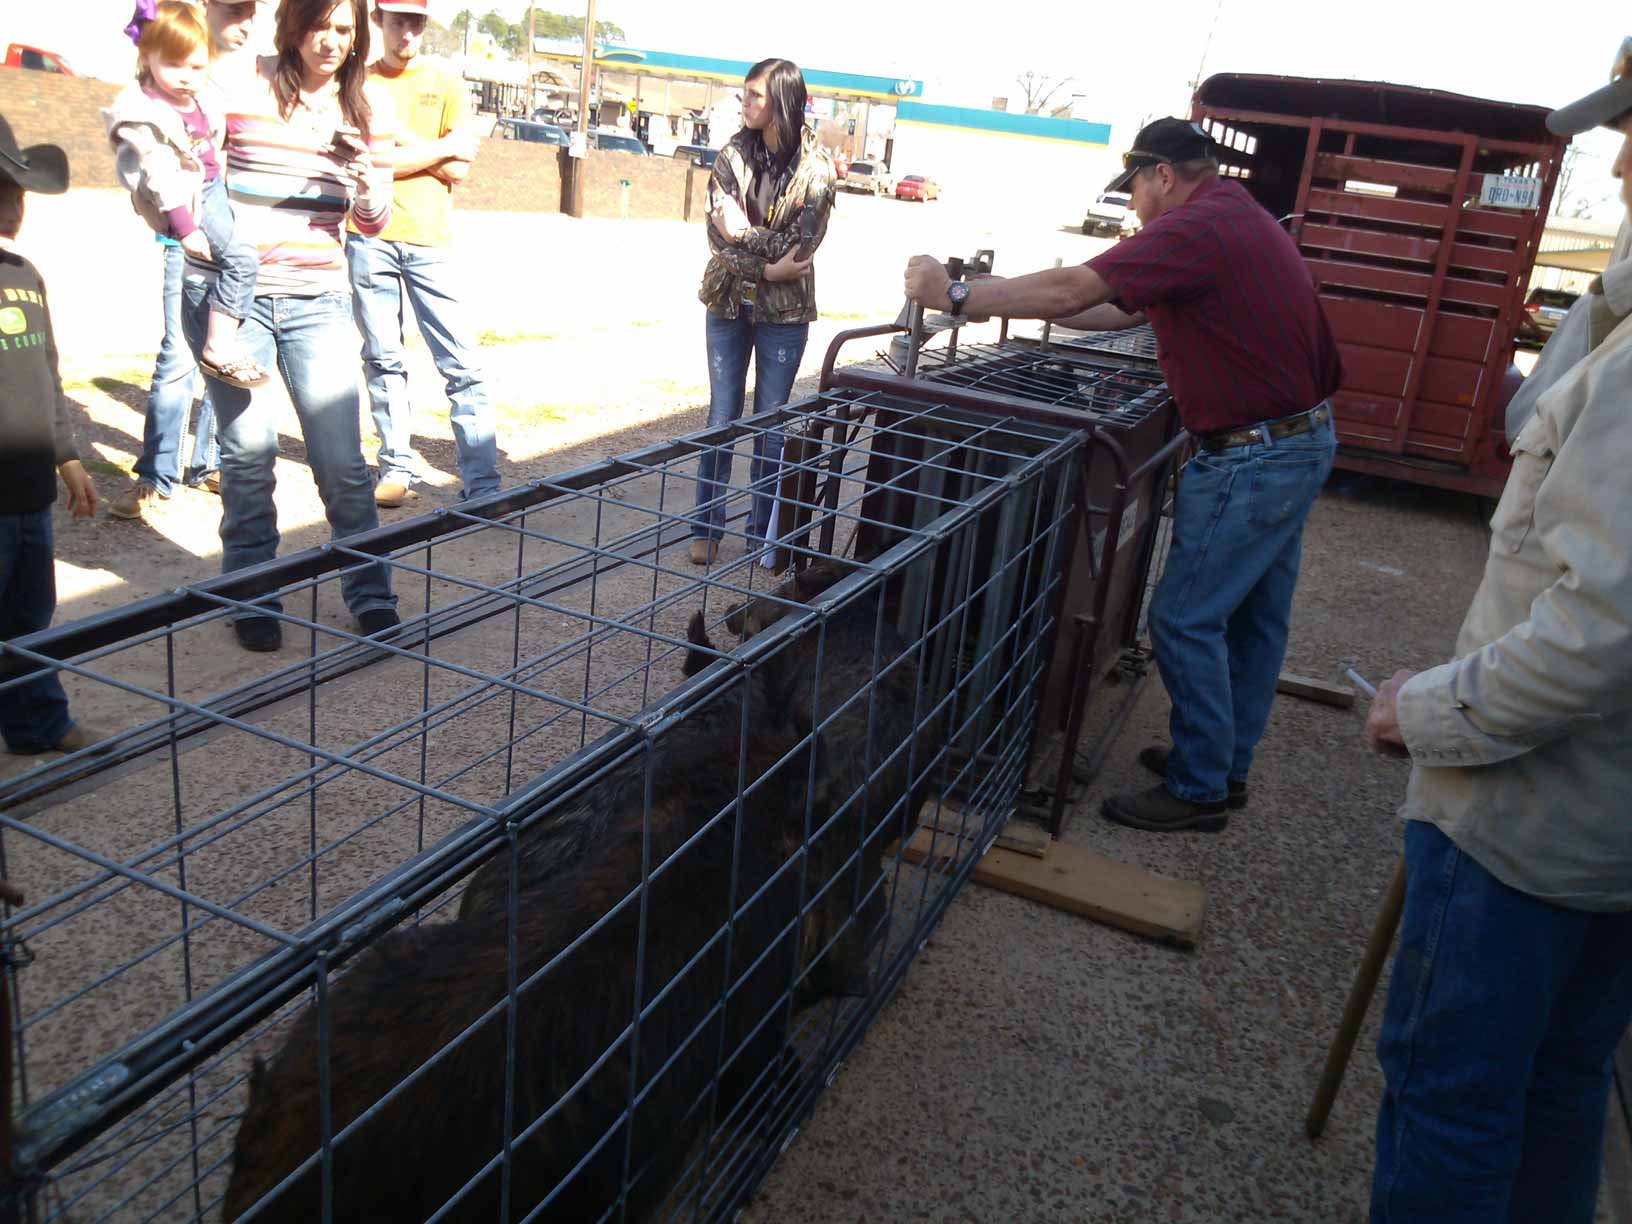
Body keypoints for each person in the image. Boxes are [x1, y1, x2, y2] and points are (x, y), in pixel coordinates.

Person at [1361, 46, 1632, 1223]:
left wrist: (1425, 710)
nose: (1620, 166)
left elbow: (1598, 628)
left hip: (1526, 825)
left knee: (1452, 1101)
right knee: (1557, 1090)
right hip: (1604, 833)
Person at [902, 116, 1343, 834]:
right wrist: (999, 294)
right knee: (1255, 617)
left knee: (1184, 616)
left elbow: (1077, 289)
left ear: (1161, 175)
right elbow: (1107, 307)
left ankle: (1200, 788)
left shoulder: (1195, 226)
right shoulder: (1231, 216)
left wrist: (955, 295)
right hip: (1295, 440)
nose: (1133, 206)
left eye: (1135, 188)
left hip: (1254, 453)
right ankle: (1222, 764)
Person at [179, 0, 399, 653]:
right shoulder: (241, 85)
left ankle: (371, 594)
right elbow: (193, 169)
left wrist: (363, 179)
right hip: (235, 302)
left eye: (343, 29)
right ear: (294, 25)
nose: (329, 41)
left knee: (339, 461)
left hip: (317, 302)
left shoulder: (364, 109)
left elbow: (373, 219)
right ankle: (251, 593)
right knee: (247, 456)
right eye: (318, 26)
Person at [111, 0, 266, 522]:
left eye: (251, 13)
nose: (245, 23)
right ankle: (156, 475)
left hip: (225, 225)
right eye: (234, 10)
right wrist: (182, 225)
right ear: (207, 10)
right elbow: (155, 167)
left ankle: (210, 463)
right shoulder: (163, 85)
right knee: (181, 353)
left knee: (221, 350)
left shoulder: (232, 79)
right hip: (190, 235)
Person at [345, 0, 498, 508]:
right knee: (384, 358)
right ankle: (396, 465)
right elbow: (370, 158)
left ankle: (482, 480)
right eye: (396, 21)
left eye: (415, 22)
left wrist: (394, 147)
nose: (406, 32)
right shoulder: (359, 83)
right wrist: (440, 146)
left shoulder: (446, 81)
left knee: (459, 360)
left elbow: (459, 173)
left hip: (430, 238)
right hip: (370, 234)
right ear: (377, 22)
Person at [690, 57, 835, 566]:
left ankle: (759, 536)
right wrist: (764, 269)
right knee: (720, 417)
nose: (744, 102)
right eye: (744, 94)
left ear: (782, 102)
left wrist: (745, 236)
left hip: (784, 318)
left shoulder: (818, 171)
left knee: (771, 425)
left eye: (753, 95)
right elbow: (715, 236)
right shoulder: (732, 153)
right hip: (727, 304)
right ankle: (705, 528)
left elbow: (801, 248)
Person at [0, 117, 108, 756]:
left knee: (29, 620)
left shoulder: (24, 274)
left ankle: (38, 723)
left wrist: (67, 457)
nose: (15, 206)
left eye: (16, 192)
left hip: (29, 490)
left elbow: (47, 374)